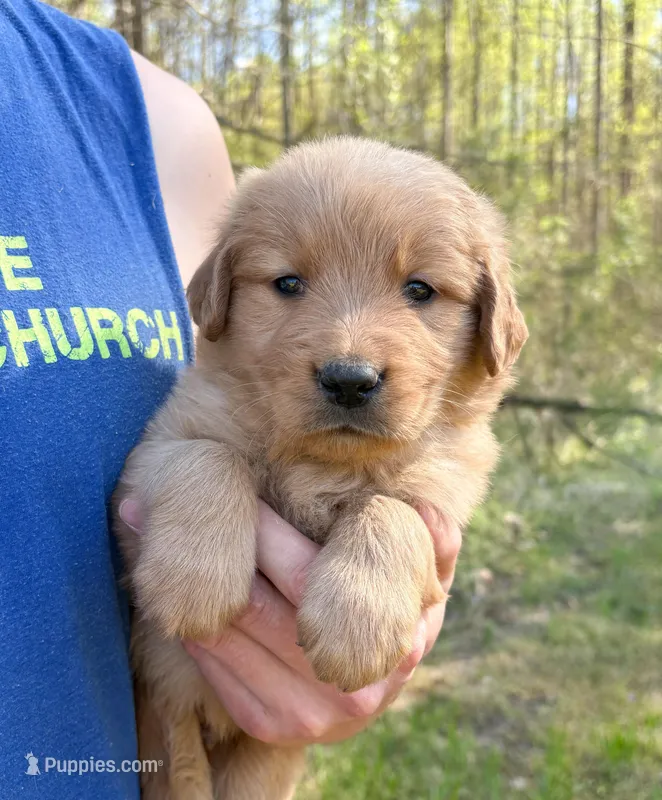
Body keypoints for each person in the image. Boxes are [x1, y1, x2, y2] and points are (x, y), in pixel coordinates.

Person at [0, 0, 461, 797]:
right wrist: (203, 480)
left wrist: (391, 549)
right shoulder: (222, 395)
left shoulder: (153, 116)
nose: (350, 355)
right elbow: (168, 448)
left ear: (494, 323)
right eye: (288, 283)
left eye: (420, 291)